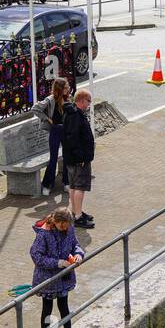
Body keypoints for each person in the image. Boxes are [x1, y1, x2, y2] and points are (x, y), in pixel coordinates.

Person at [30, 209, 84, 328]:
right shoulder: (43, 234)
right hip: (48, 279)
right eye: (63, 226)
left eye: (67, 226)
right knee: (47, 310)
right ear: (56, 222)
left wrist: (79, 255)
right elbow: (36, 256)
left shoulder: (69, 229)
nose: (65, 229)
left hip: (64, 278)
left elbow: (75, 245)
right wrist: (58, 263)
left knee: (64, 307)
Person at [31, 77, 70, 194]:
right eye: (66, 87)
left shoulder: (68, 98)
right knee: (53, 158)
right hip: (55, 130)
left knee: (67, 156)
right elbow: (35, 109)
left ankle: (66, 183)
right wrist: (47, 119)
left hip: (66, 130)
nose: (68, 89)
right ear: (60, 88)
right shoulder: (50, 100)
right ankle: (47, 184)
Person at [62, 88, 95, 228]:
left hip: (71, 158)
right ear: (81, 100)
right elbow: (73, 138)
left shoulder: (72, 113)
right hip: (78, 159)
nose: (89, 104)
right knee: (79, 187)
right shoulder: (76, 115)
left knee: (73, 186)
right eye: (88, 101)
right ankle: (78, 217)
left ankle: (77, 212)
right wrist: (80, 157)